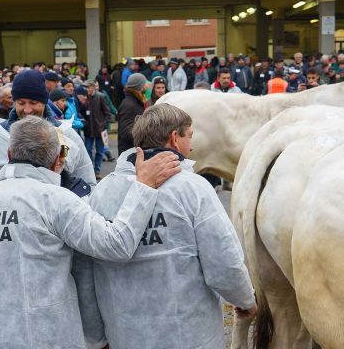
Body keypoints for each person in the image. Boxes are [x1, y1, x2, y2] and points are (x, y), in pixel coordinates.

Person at [0, 115, 181, 347]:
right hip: (44, 338)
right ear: (59, 159)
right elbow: (116, 245)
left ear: (9, 155)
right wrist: (143, 187)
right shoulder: (55, 200)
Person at [80, 103, 257, 348]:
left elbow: (87, 269)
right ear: (175, 138)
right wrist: (245, 300)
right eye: (190, 137)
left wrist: (97, 337)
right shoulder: (192, 188)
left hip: (125, 333)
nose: (191, 146)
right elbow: (223, 260)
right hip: (188, 334)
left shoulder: (103, 191)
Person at [0, 70, 96, 193]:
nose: (27, 110)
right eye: (21, 103)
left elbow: (88, 184)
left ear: (44, 102)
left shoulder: (67, 135)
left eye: (33, 103)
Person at [77, 82, 111, 179]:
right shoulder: (84, 98)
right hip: (88, 130)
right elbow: (80, 112)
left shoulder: (100, 97)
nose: (88, 90)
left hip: (99, 130)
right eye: (86, 88)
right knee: (88, 151)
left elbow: (108, 113)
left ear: (93, 88)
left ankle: (97, 170)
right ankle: (90, 171)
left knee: (100, 151)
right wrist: (84, 124)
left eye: (89, 87)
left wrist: (103, 125)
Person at [117, 73, 147, 154]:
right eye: (144, 83)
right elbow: (126, 132)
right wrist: (147, 132)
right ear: (140, 86)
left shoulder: (134, 101)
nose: (146, 86)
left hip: (134, 151)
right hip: (130, 153)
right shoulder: (130, 105)